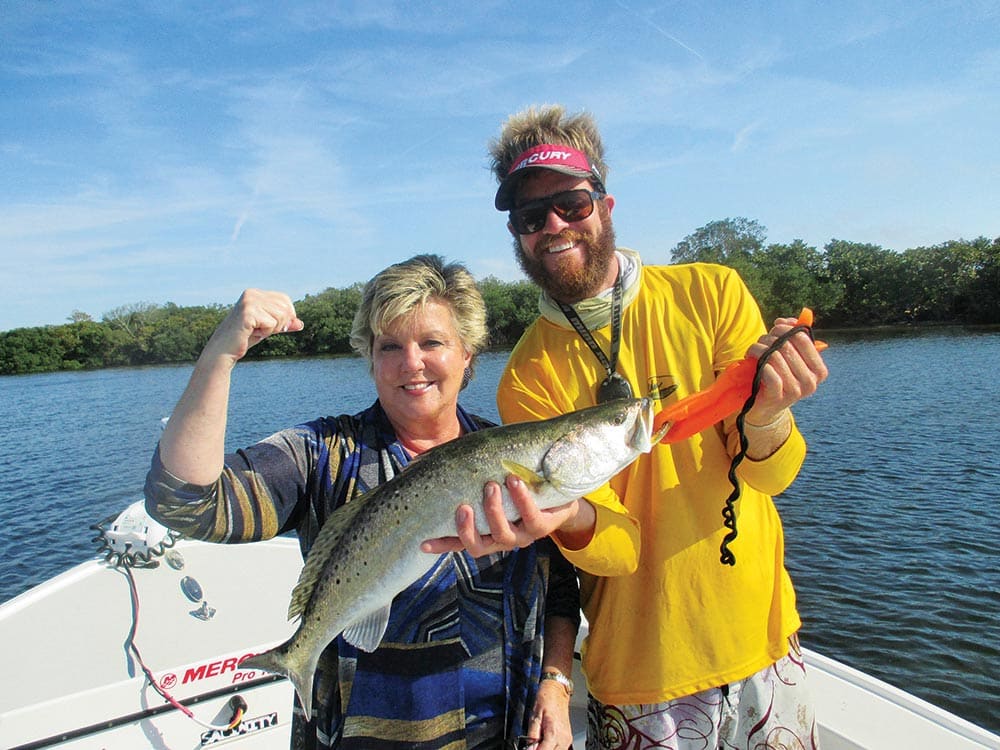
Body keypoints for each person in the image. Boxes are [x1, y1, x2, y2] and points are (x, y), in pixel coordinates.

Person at [475, 105, 828, 749]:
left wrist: (770, 410)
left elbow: (769, 474)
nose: (554, 225)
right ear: (518, 235)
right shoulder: (525, 376)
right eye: (531, 217)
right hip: (639, 675)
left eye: (571, 204)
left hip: (766, 647)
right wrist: (567, 515)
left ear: (604, 205)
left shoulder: (711, 293)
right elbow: (619, 551)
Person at [144, 254, 580, 750]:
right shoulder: (323, 454)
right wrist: (221, 354)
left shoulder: (510, 457)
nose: (411, 363)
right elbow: (184, 504)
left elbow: (559, 587)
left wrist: (557, 684)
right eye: (389, 346)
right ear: (370, 359)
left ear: (467, 353)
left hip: (505, 732)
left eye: (432, 342)